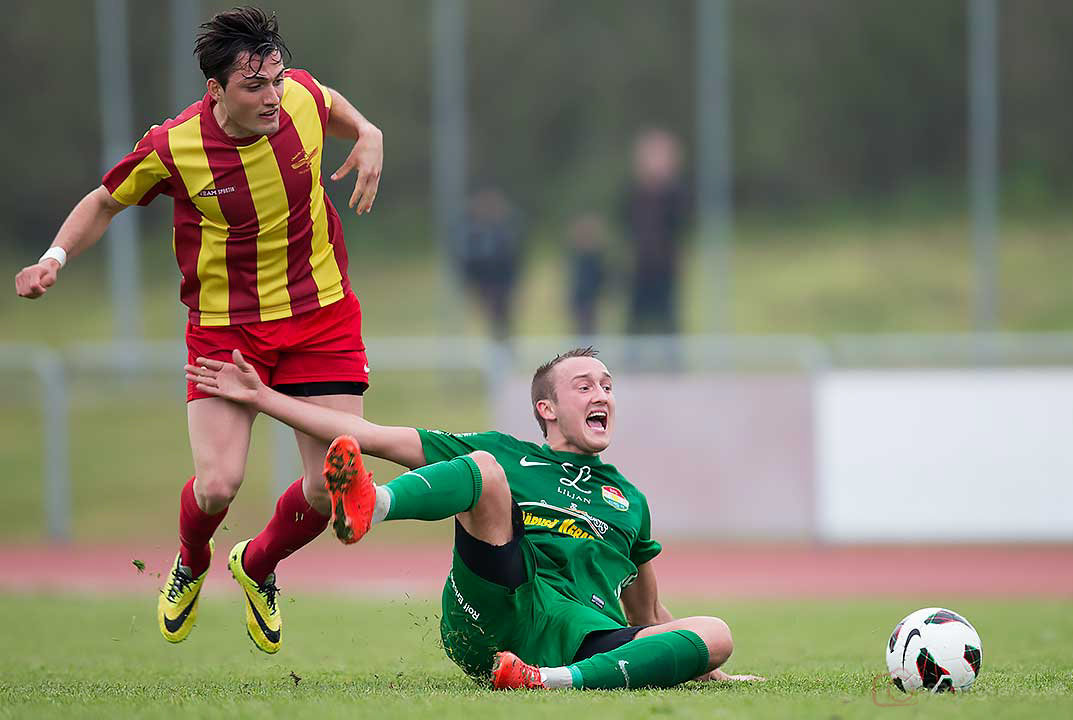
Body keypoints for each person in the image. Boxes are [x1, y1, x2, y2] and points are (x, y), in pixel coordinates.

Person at [13, 7, 384, 654]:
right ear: (215, 90)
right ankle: (193, 559)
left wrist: (369, 131)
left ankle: (259, 564)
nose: (273, 96)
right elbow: (104, 201)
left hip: (321, 314)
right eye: (254, 86)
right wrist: (53, 260)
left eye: (276, 78)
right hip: (224, 328)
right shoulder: (174, 146)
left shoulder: (295, 96)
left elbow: (330, 102)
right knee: (218, 484)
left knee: (330, 490)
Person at [186, 346, 764, 689]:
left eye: (609, 387)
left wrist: (702, 661)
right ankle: (372, 506)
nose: (603, 396)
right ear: (548, 408)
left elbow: (650, 614)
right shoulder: (508, 451)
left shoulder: (630, 501)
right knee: (483, 470)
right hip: (491, 614)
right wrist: (262, 398)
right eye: (585, 385)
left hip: (578, 646)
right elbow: (367, 435)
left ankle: (547, 685)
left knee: (717, 631)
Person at [621, 128, 691, 336]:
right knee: (634, 321)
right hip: (639, 266)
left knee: (668, 319)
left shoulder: (676, 195)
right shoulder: (633, 194)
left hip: (665, 266)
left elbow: (680, 228)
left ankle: (673, 365)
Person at [456, 187, 523, 341]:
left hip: (502, 281)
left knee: (502, 316)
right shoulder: (471, 230)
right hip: (483, 281)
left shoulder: (505, 229)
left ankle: (503, 345)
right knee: (494, 316)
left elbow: (513, 257)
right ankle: (498, 344)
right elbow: (466, 259)